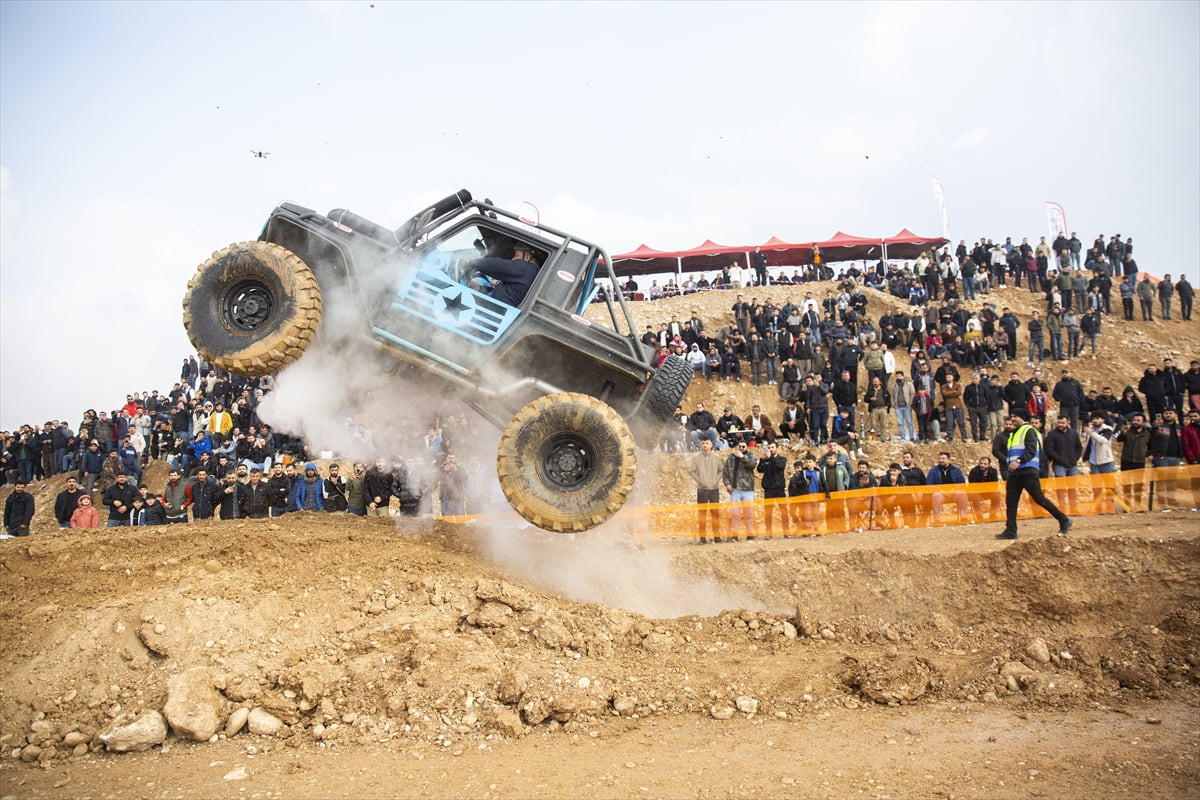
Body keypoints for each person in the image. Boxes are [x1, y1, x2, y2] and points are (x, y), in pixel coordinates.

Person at [996, 415, 1072, 540]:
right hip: (1015, 474)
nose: (1013, 420)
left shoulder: (1028, 430)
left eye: (1015, 417)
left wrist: (1019, 461)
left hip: (1028, 472)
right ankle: (1011, 530)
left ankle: (1064, 519)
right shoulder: (1013, 433)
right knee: (1011, 502)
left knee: (1039, 499)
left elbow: (1031, 450)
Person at [470, 242, 540, 306]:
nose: (513, 259)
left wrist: (472, 262)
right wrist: (481, 288)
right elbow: (509, 293)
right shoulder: (533, 275)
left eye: (516, 255)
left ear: (527, 257)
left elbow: (496, 266)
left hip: (492, 309)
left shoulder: (527, 268)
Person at [689, 437, 723, 543]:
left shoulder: (717, 457)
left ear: (711, 444)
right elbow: (692, 471)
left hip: (714, 489)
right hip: (702, 490)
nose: (705, 445)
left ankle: (717, 536)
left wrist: (716, 481)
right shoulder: (696, 458)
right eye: (703, 443)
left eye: (707, 443)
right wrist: (700, 481)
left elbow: (721, 471)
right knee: (702, 514)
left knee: (715, 514)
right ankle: (702, 538)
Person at [722, 441, 758, 541]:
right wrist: (727, 483)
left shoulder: (750, 456)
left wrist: (743, 457)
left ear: (747, 447)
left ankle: (750, 533)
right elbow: (725, 472)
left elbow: (752, 465)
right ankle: (734, 534)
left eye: (743, 446)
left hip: (748, 489)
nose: (741, 448)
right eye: (740, 446)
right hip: (735, 489)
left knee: (749, 513)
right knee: (735, 513)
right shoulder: (731, 458)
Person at [926, 451, 970, 523]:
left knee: (962, 494)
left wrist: (955, 489)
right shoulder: (933, 470)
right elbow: (929, 484)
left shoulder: (956, 470)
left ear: (948, 460)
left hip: (954, 493)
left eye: (943, 459)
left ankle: (964, 517)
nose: (941, 460)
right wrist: (939, 490)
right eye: (939, 459)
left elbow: (962, 483)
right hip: (941, 493)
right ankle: (937, 519)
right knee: (936, 495)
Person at [756, 441, 789, 537]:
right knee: (768, 512)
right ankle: (768, 532)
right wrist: (762, 460)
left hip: (779, 488)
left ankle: (786, 532)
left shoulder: (781, 459)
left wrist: (772, 458)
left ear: (777, 448)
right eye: (769, 447)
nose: (770, 449)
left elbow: (780, 466)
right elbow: (760, 470)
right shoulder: (767, 459)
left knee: (784, 512)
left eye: (772, 447)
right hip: (768, 489)